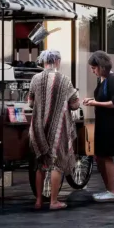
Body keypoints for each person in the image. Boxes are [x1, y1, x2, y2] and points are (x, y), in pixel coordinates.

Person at [28, 49, 80, 210]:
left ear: (44, 62)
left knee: (40, 162)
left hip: (38, 127)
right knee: (57, 162)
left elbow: (30, 103)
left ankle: (38, 201)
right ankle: (53, 201)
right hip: (59, 128)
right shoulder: (64, 80)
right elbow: (75, 104)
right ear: (57, 61)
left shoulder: (35, 79)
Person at [82, 50, 114, 202]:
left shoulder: (112, 79)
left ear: (101, 66)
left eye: (94, 68)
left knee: (106, 156)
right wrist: (92, 100)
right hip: (102, 123)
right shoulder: (102, 79)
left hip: (111, 125)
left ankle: (112, 191)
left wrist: (95, 103)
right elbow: (103, 98)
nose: (92, 71)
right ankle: (108, 190)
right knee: (99, 156)